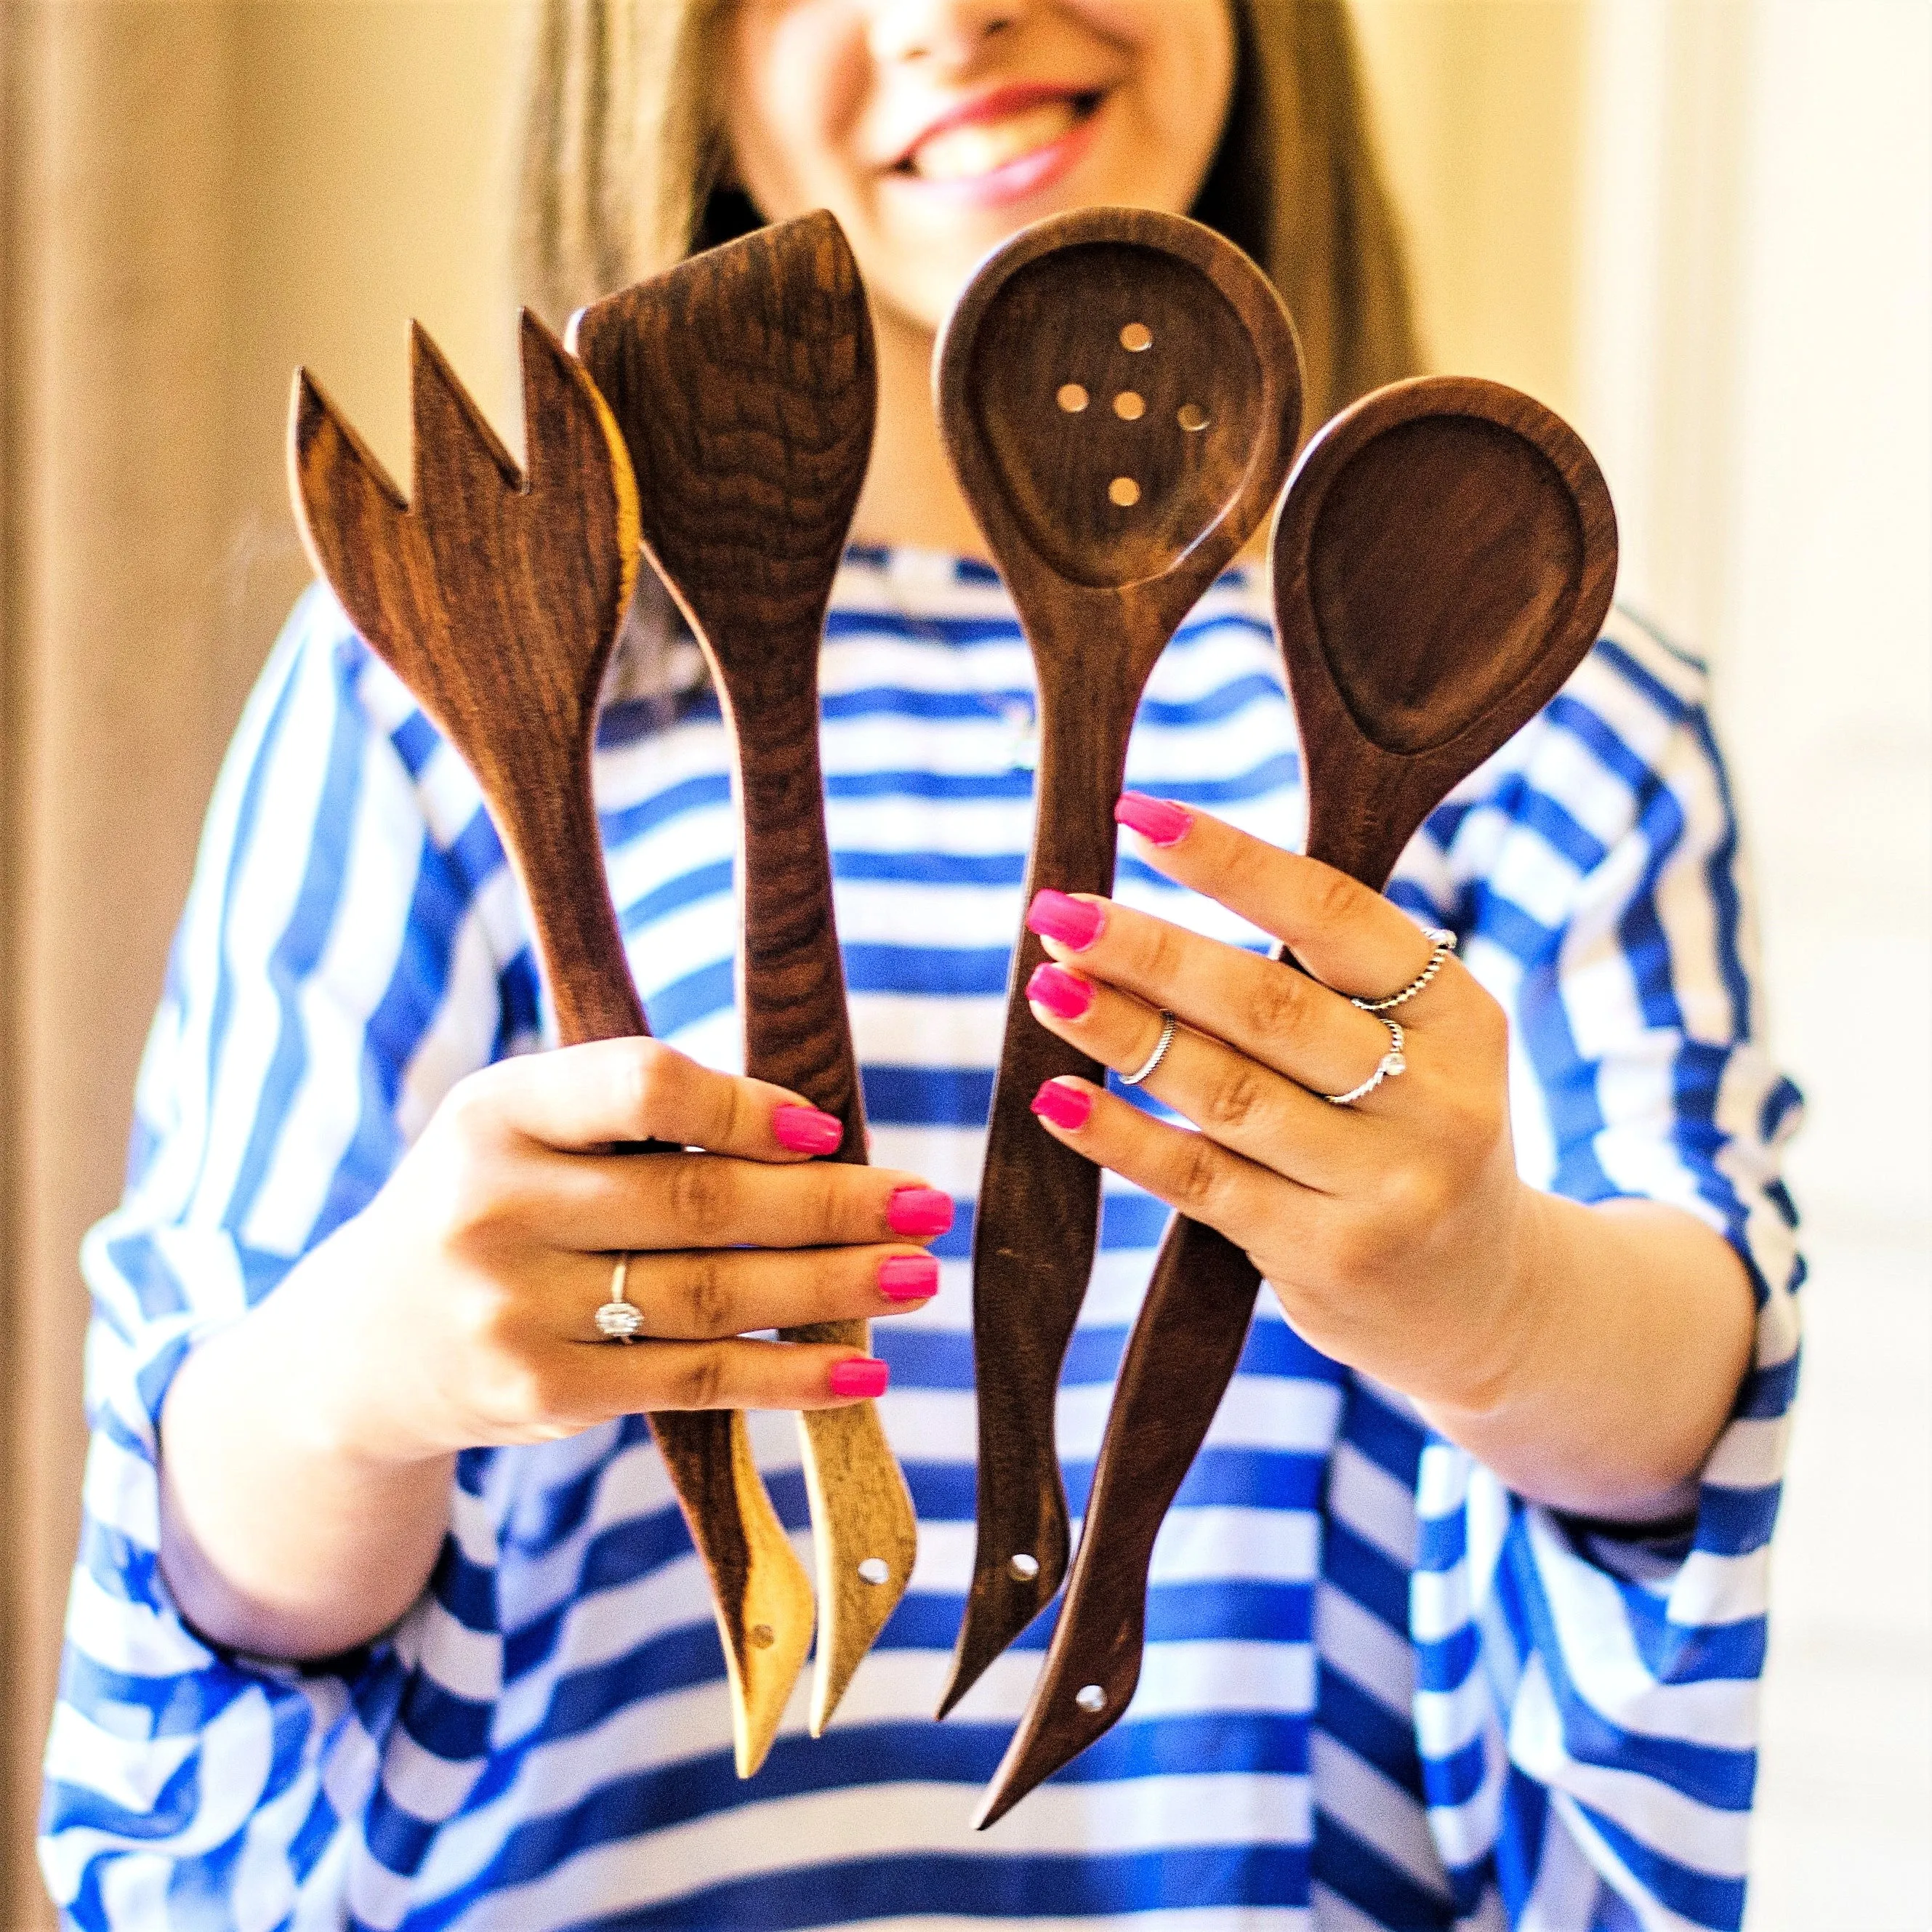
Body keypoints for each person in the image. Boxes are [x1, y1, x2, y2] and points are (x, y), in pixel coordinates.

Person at [41, 3, 1803, 1927]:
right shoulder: (420, 719)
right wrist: (354, 1382)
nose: (953, 10)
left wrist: (1493, 1290)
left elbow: (1690, 1373)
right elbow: (211, 1548)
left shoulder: (1533, 715)